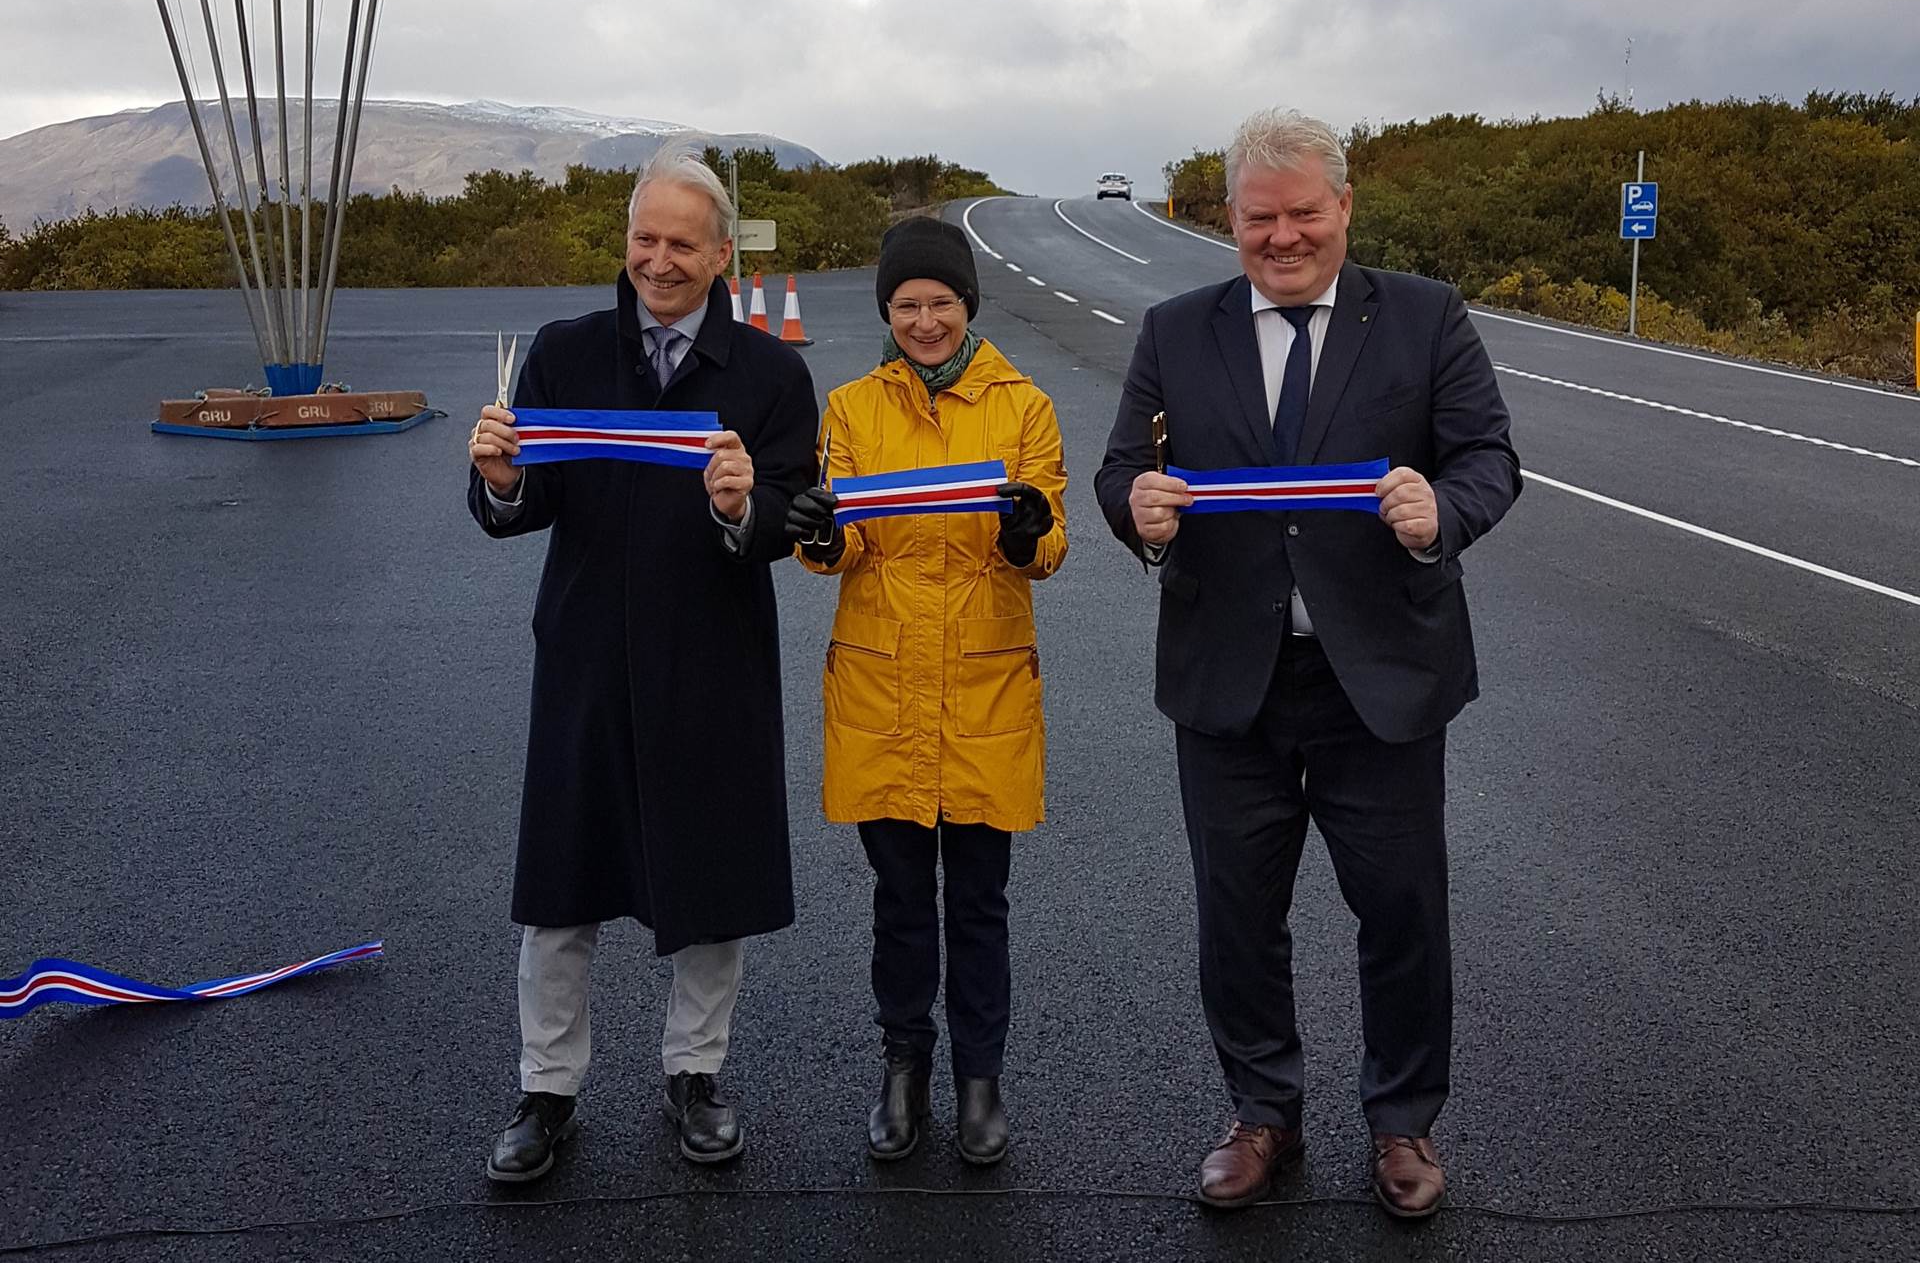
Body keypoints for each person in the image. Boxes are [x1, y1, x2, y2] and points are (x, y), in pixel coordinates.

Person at [1094, 108, 1520, 1220]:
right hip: (1228, 683)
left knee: (1402, 914)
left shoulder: (1422, 317)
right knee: (1237, 918)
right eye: (1258, 219)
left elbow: (1488, 456)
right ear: (1228, 219)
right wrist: (1138, 513)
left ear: (1344, 209)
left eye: (1303, 216)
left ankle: (1403, 1125)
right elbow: (1120, 473)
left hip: (1378, 679)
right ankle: (1261, 1114)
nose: (1283, 239)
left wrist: (1442, 512)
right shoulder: (1174, 331)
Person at [466, 144, 818, 1185]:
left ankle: (695, 1075)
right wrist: (498, 478)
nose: (657, 262)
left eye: (680, 245)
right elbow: (523, 504)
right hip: (583, 653)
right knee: (561, 889)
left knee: (709, 877)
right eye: (642, 239)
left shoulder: (771, 373)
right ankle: (546, 1088)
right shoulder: (568, 351)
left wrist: (741, 508)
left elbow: (792, 517)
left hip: (713, 658)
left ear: (722, 257)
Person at [783, 217, 1067, 1167]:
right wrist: (820, 533)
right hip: (883, 687)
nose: (925, 320)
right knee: (900, 899)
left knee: (981, 902)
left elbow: (1050, 538)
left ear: (968, 305)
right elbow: (840, 542)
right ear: (887, 311)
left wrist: (1028, 530)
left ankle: (980, 1079)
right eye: (906, 304)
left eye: (941, 302)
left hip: (984, 686)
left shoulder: (1024, 406)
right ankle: (904, 1067)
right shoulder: (851, 409)